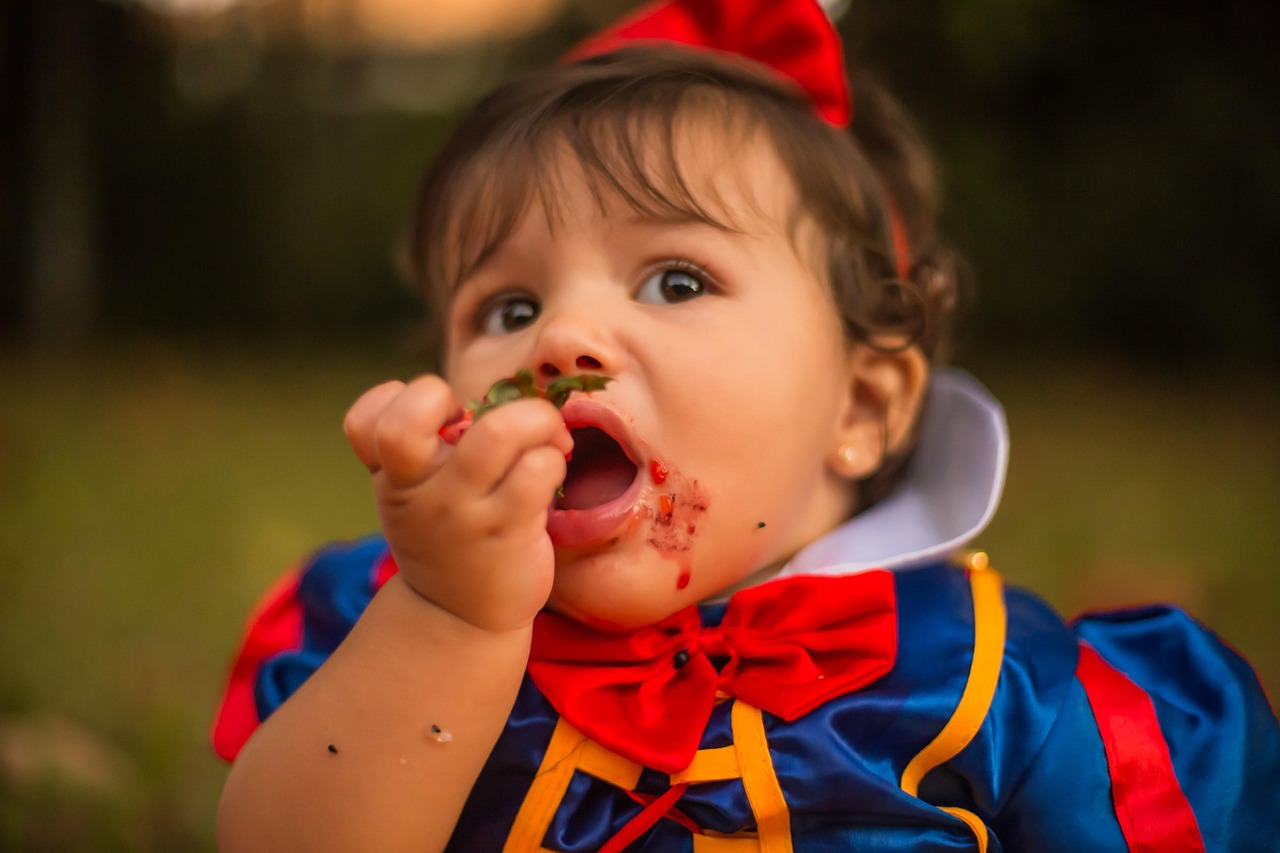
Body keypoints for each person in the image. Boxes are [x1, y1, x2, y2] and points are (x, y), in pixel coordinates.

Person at [212, 0, 1280, 849]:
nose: (560, 338)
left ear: (860, 407)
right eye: (508, 307)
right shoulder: (381, 622)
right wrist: (448, 622)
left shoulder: (1001, 687)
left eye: (675, 279)